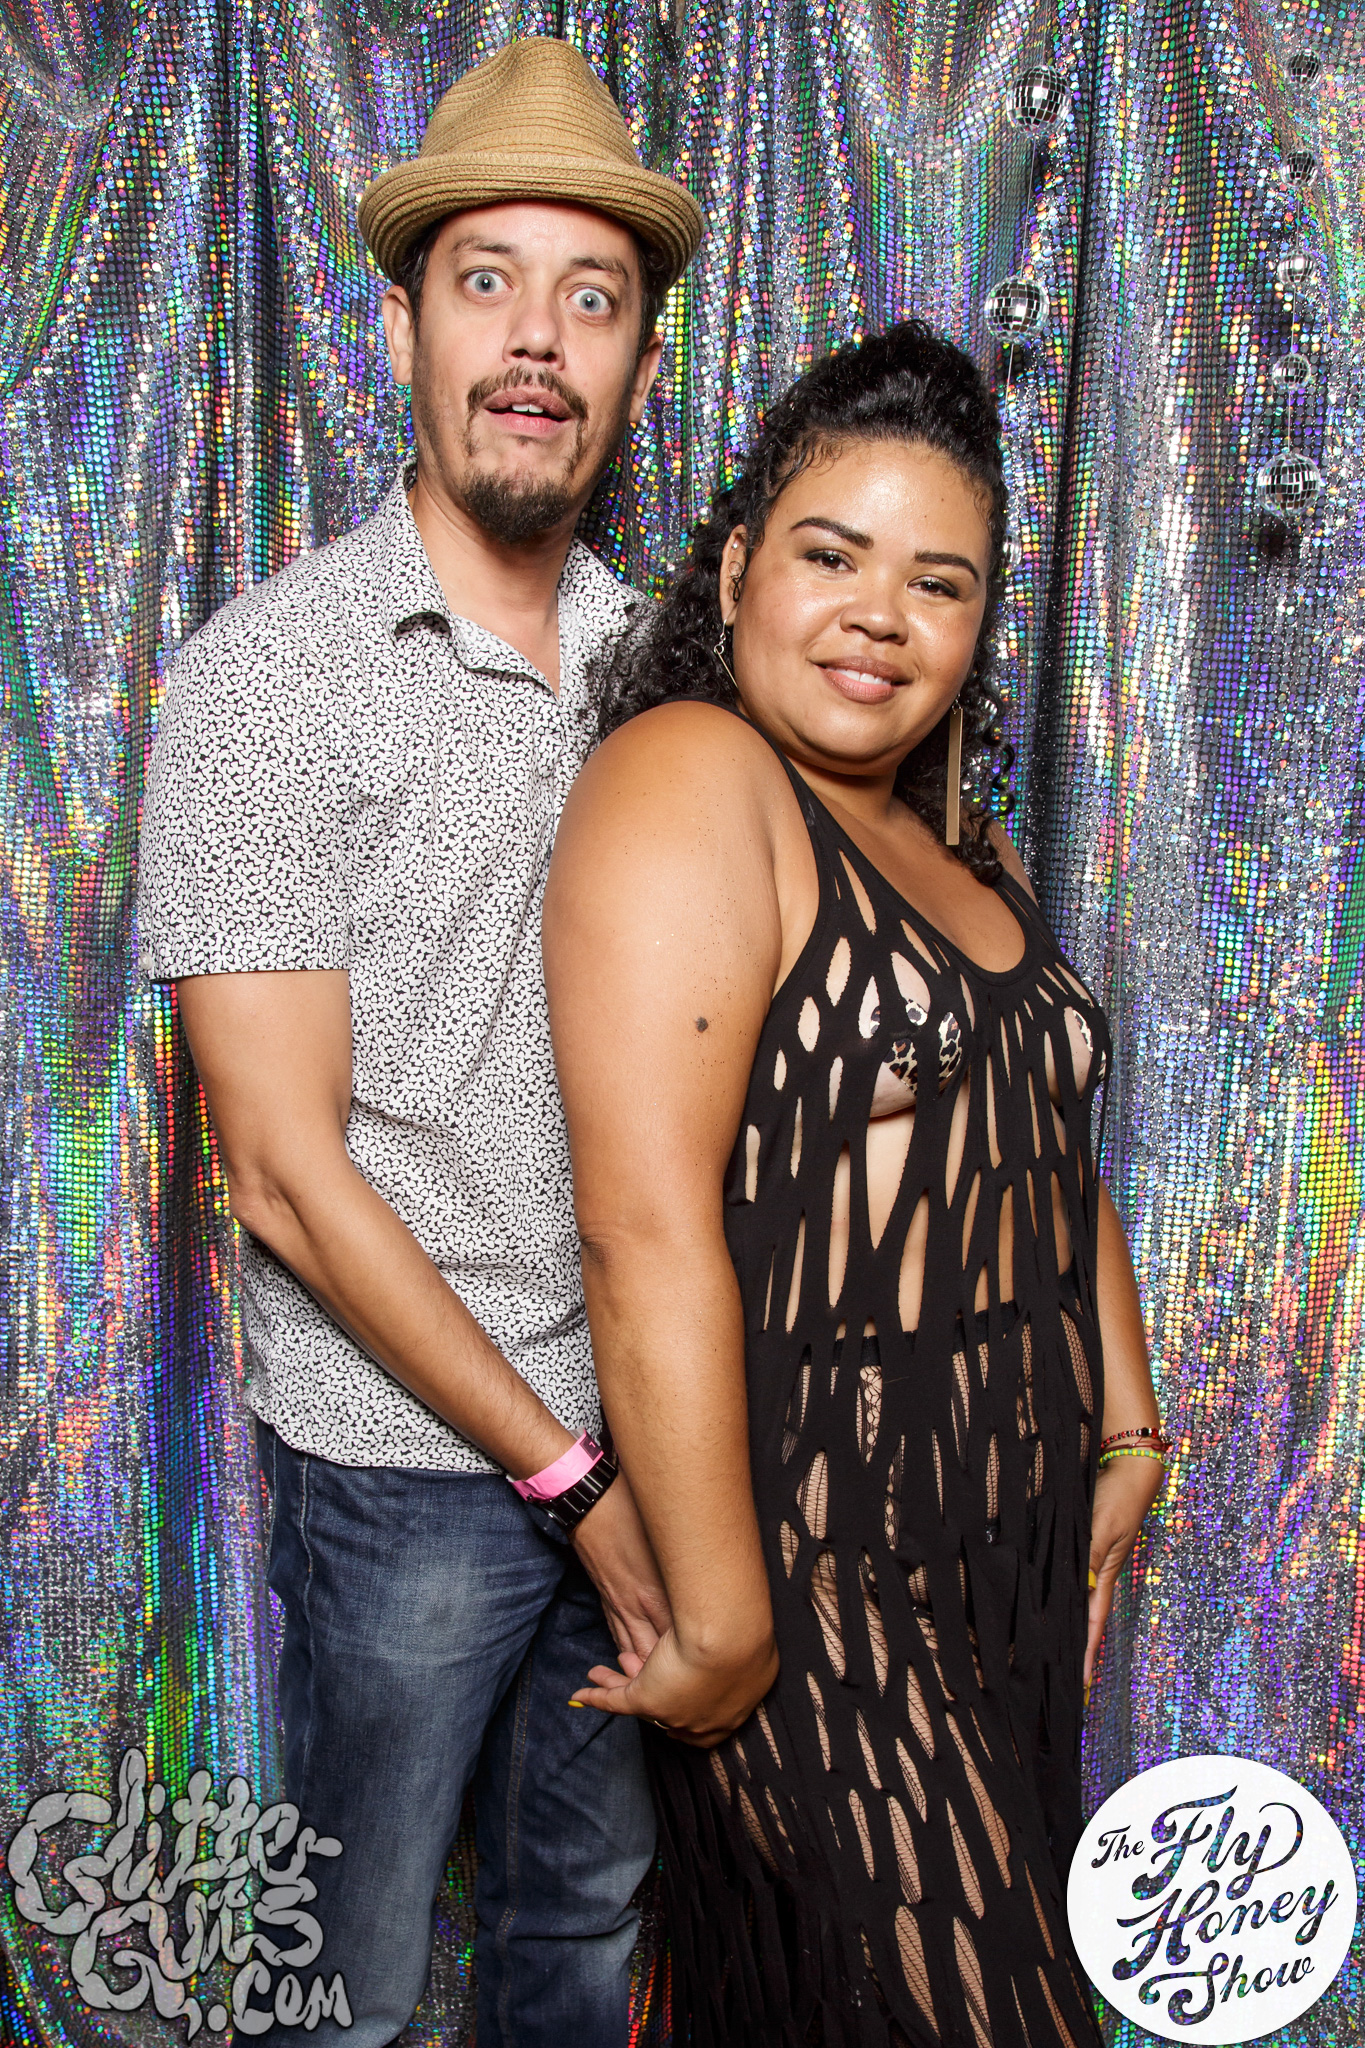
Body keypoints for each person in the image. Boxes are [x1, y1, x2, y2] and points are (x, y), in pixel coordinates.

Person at [137, 37, 702, 2048]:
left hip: (649, 1419)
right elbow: (287, 1180)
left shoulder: (668, 675)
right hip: (406, 1467)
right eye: (486, 282)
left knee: (582, 1933)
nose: (536, 339)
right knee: (352, 1986)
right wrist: (568, 1477)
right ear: (399, 332)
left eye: (590, 297)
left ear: (635, 364)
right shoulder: (266, 682)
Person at [543, 321, 1166, 2047]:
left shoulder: (953, 838)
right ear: (738, 565)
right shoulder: (692, 778)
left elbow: (1044, 1141)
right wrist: (725, 1615)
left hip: (1003, 1540)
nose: (879, 615)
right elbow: (641, 1226)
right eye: (831, 556)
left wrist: (1123, 1427)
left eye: (936, 583)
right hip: (823, 1548)